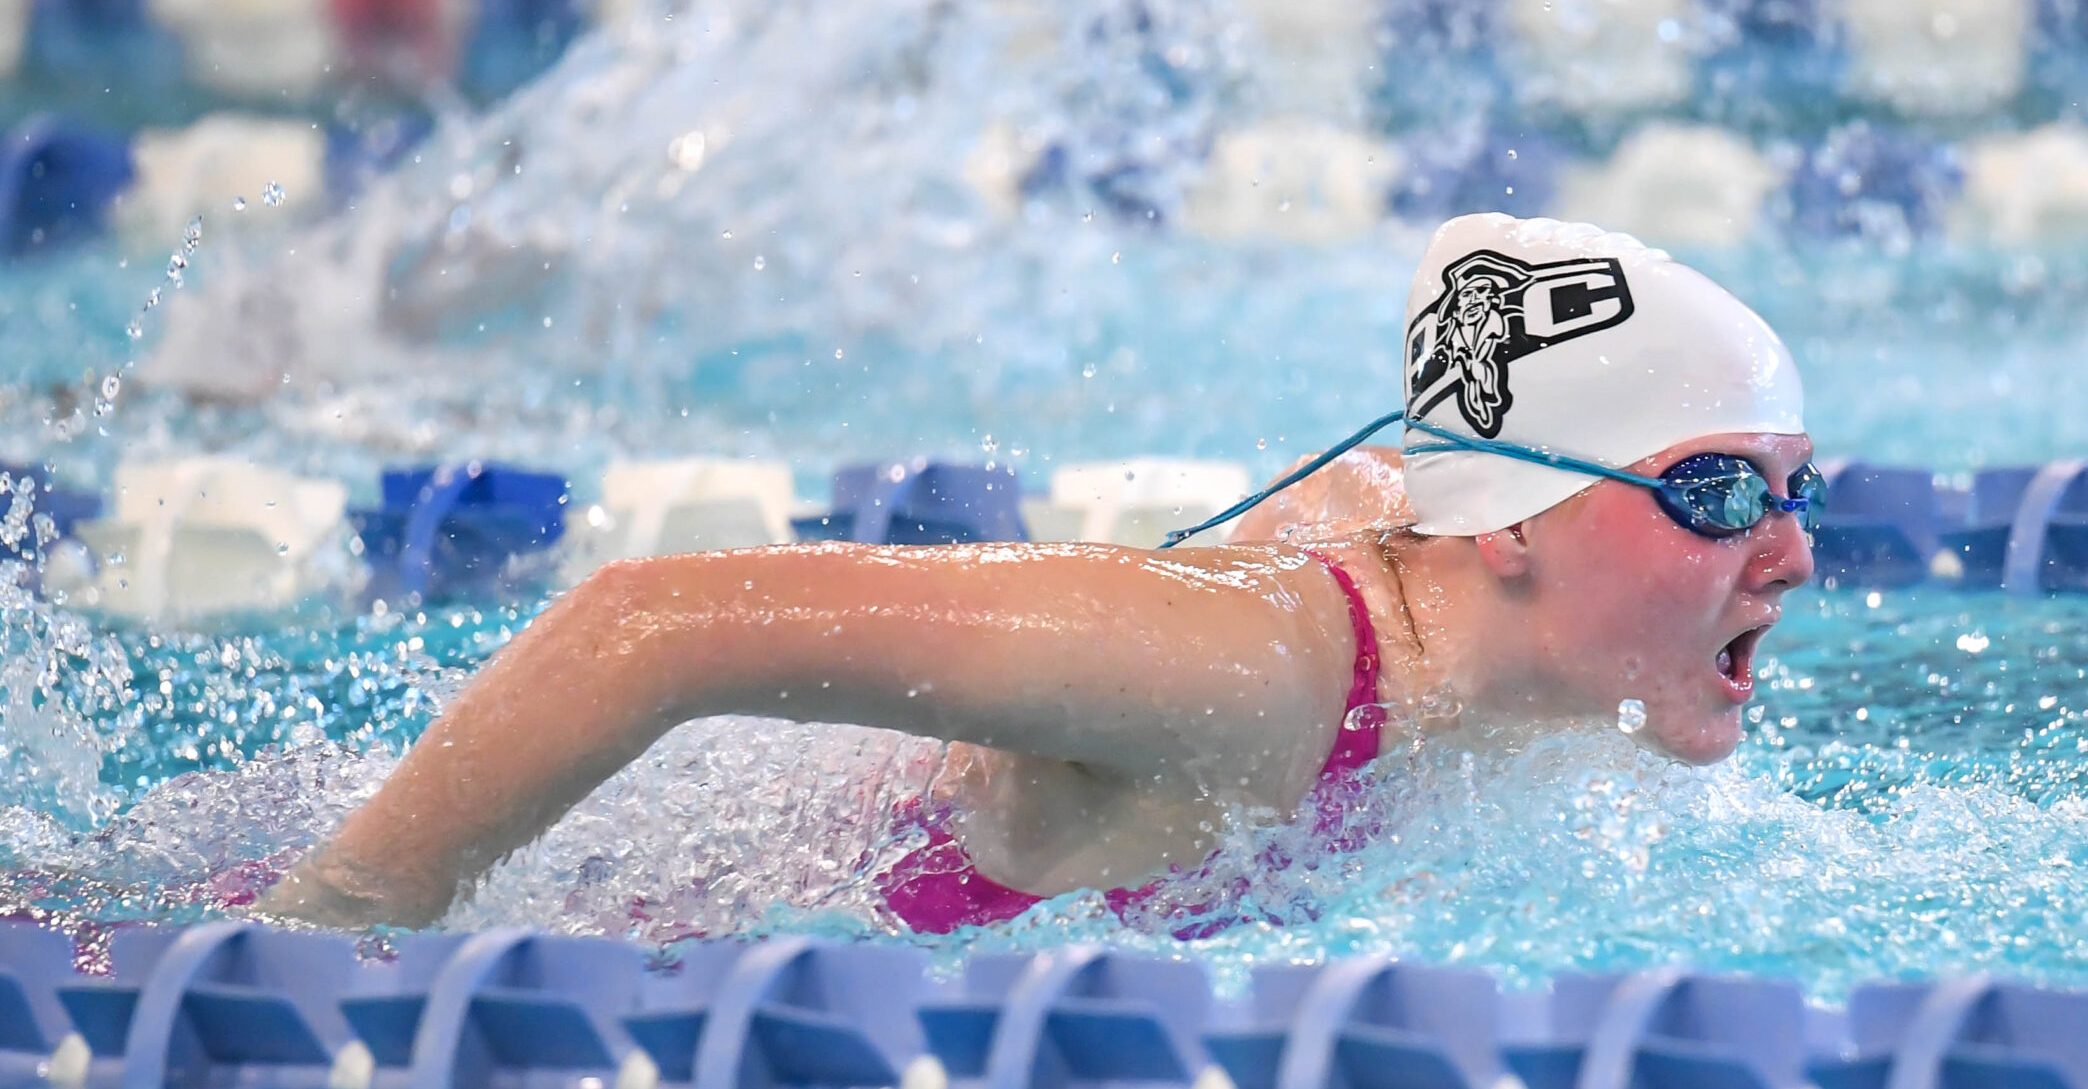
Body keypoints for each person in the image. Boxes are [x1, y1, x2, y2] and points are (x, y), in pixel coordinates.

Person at [259, 214, 1822, 933]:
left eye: (1794, 489)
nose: (1792, 553)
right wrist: (335, 921)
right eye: (1717, 492)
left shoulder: (1518, 628)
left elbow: (1396, 469)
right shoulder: (1254, 676)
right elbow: (648, 621)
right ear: (1515, 526)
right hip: (623, 905)